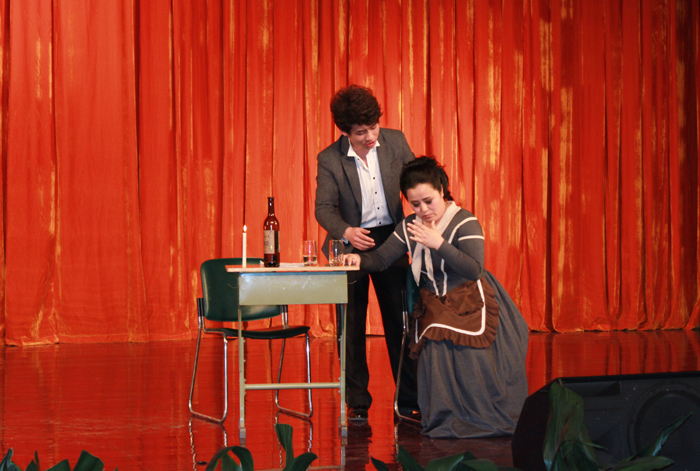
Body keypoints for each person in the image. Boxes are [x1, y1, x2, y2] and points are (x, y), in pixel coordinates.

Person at [342, 156, 529, 438]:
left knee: (452, 337)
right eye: (415, 204)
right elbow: (382, 258)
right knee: (434, 328)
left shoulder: (465, 221)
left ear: (442, 190)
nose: (423, 210)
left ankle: (476, 416)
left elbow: (474, 269)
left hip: (471, 296)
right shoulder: (411, 225)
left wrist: (438, 243)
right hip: (435, 300)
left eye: (428, 201)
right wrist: (359, 260)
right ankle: (446, 417)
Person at [315, 84, 418, 421]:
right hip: (350, 242)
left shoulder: (396, 142)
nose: (371, 136)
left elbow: (416, 181)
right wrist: (346, 231)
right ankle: (358, 402)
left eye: (373, 127)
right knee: (351, 325)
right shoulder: (329, 158)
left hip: (391, 239)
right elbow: (324, 208)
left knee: (400, 322)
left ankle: (409, 399)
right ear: (345, 131)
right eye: (361, 132)